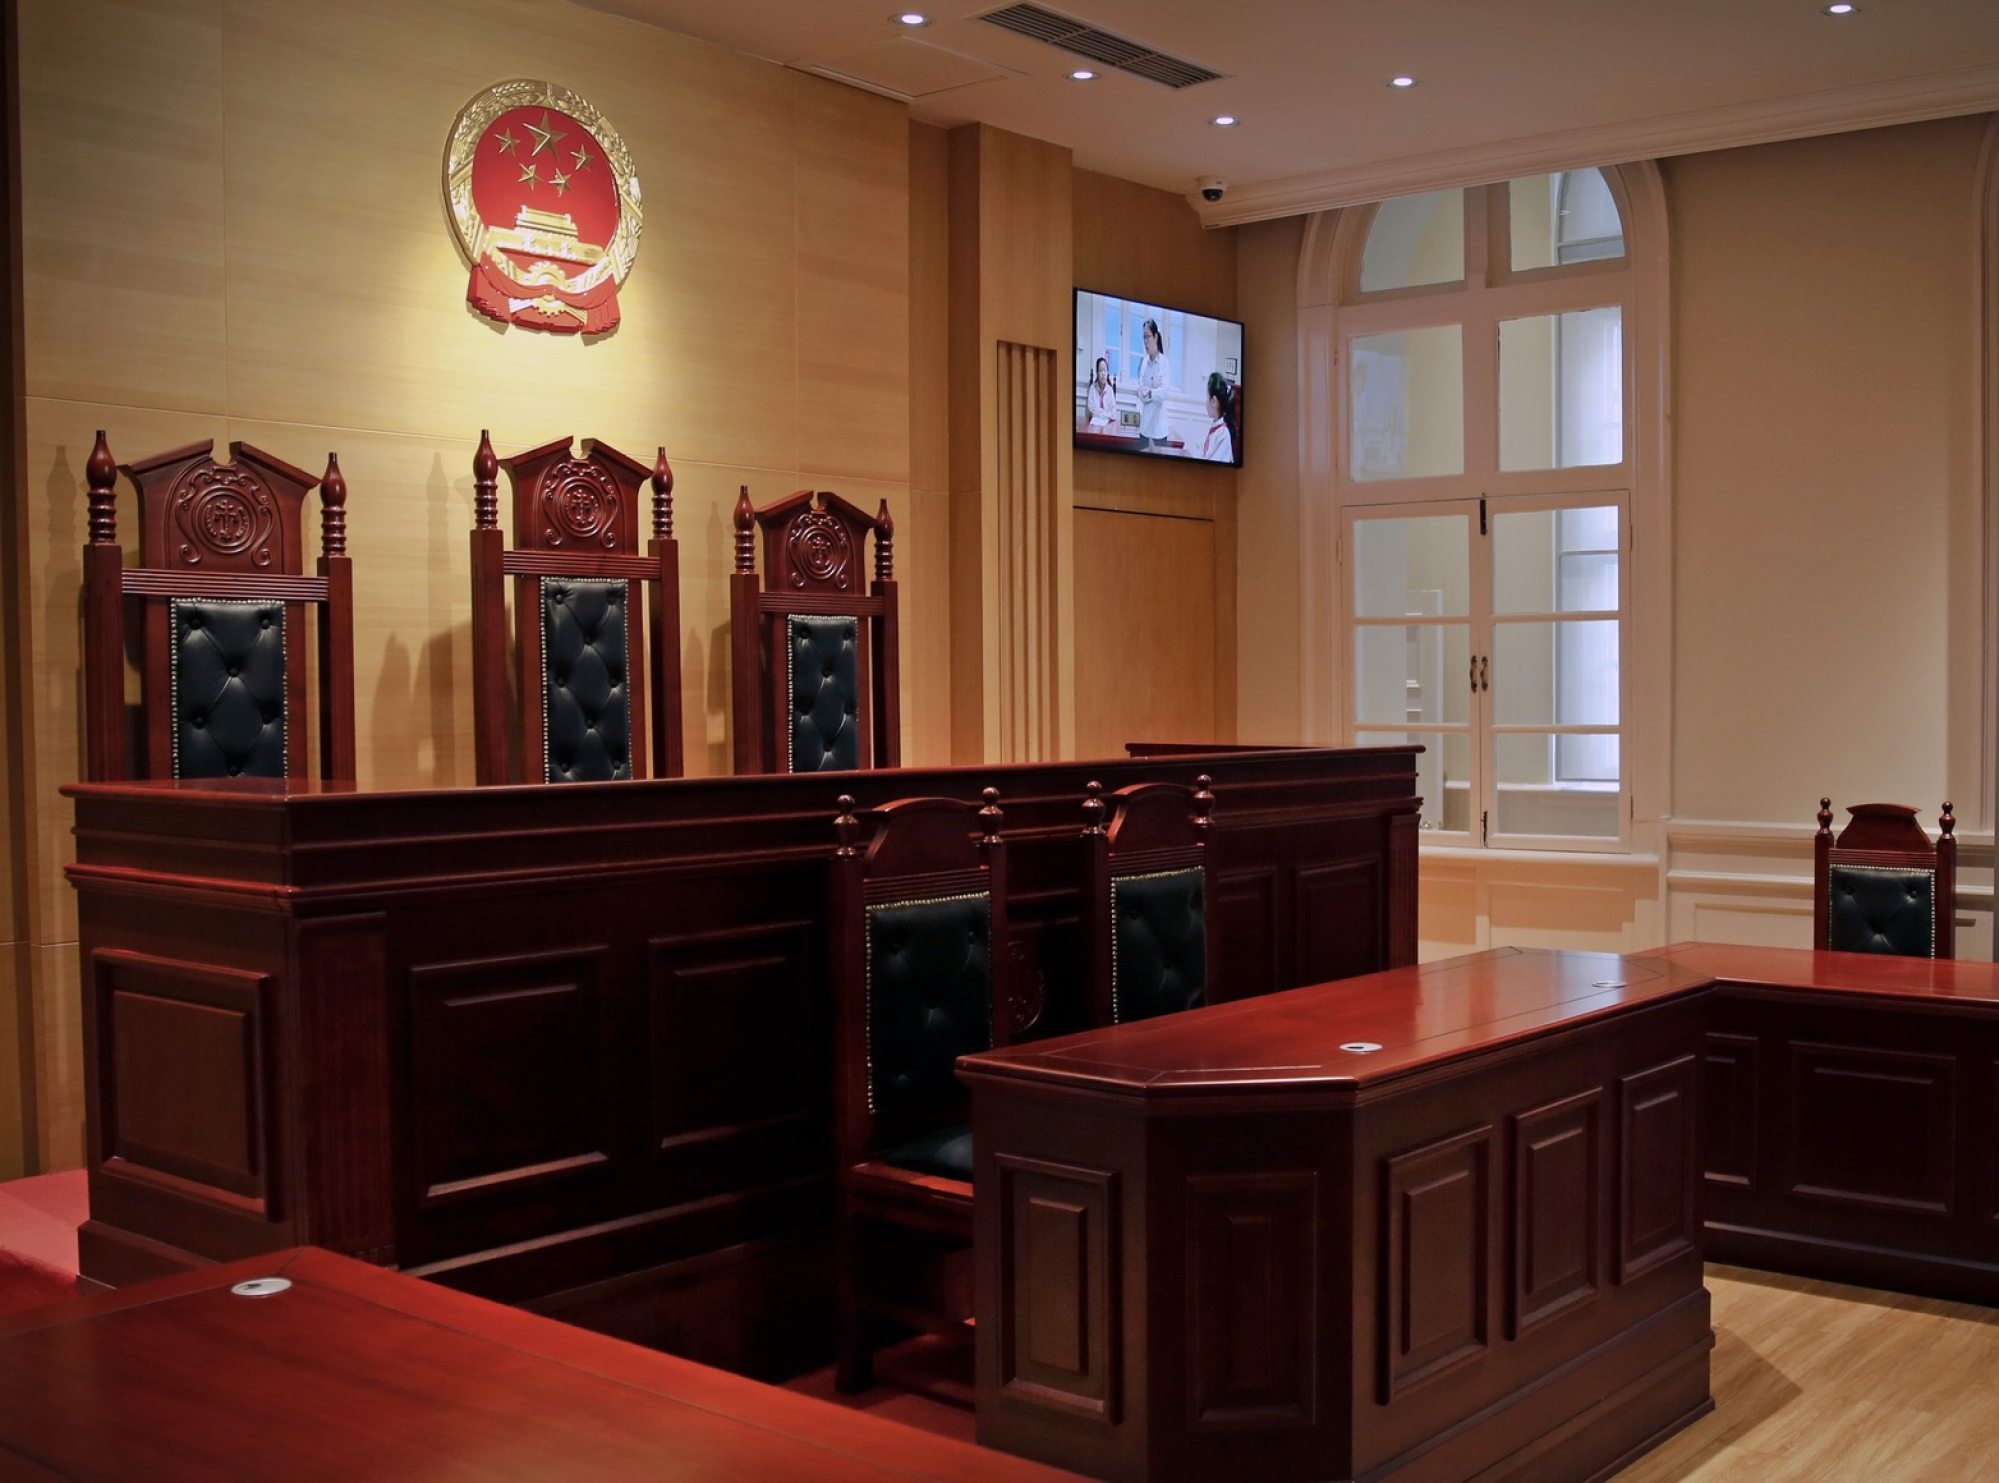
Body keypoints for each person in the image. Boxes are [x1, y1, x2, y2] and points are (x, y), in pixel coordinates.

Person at [1135, 319, 1169, 451]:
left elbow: (1163, 393)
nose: (1145, 341)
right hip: (1145, 427)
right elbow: (1140, 392)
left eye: (1148, 336)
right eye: (1143, 337)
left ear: (1155, 336)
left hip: (1159, 428)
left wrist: (1149, 392)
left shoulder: (1164, 363)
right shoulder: (1143, 363)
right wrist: (1153, 390)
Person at [1201, 372, 1236, 464]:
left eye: (1207, 397)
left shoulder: (1223, 434)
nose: (1206, 402)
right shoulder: (1216, 429)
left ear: (1213, 401)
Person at [1086, 356, 1118, 429]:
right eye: (1100, 370)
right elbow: (1091, 411)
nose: (1103, 374)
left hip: (1108, 426)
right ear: (1097, 373)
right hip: (1094, 426)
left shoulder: (1110, 390)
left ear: (1107, 373)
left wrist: (1099, 412)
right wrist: (1106, 413)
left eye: (1105, 370)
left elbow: (1114, 414)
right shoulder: (1092, 388)